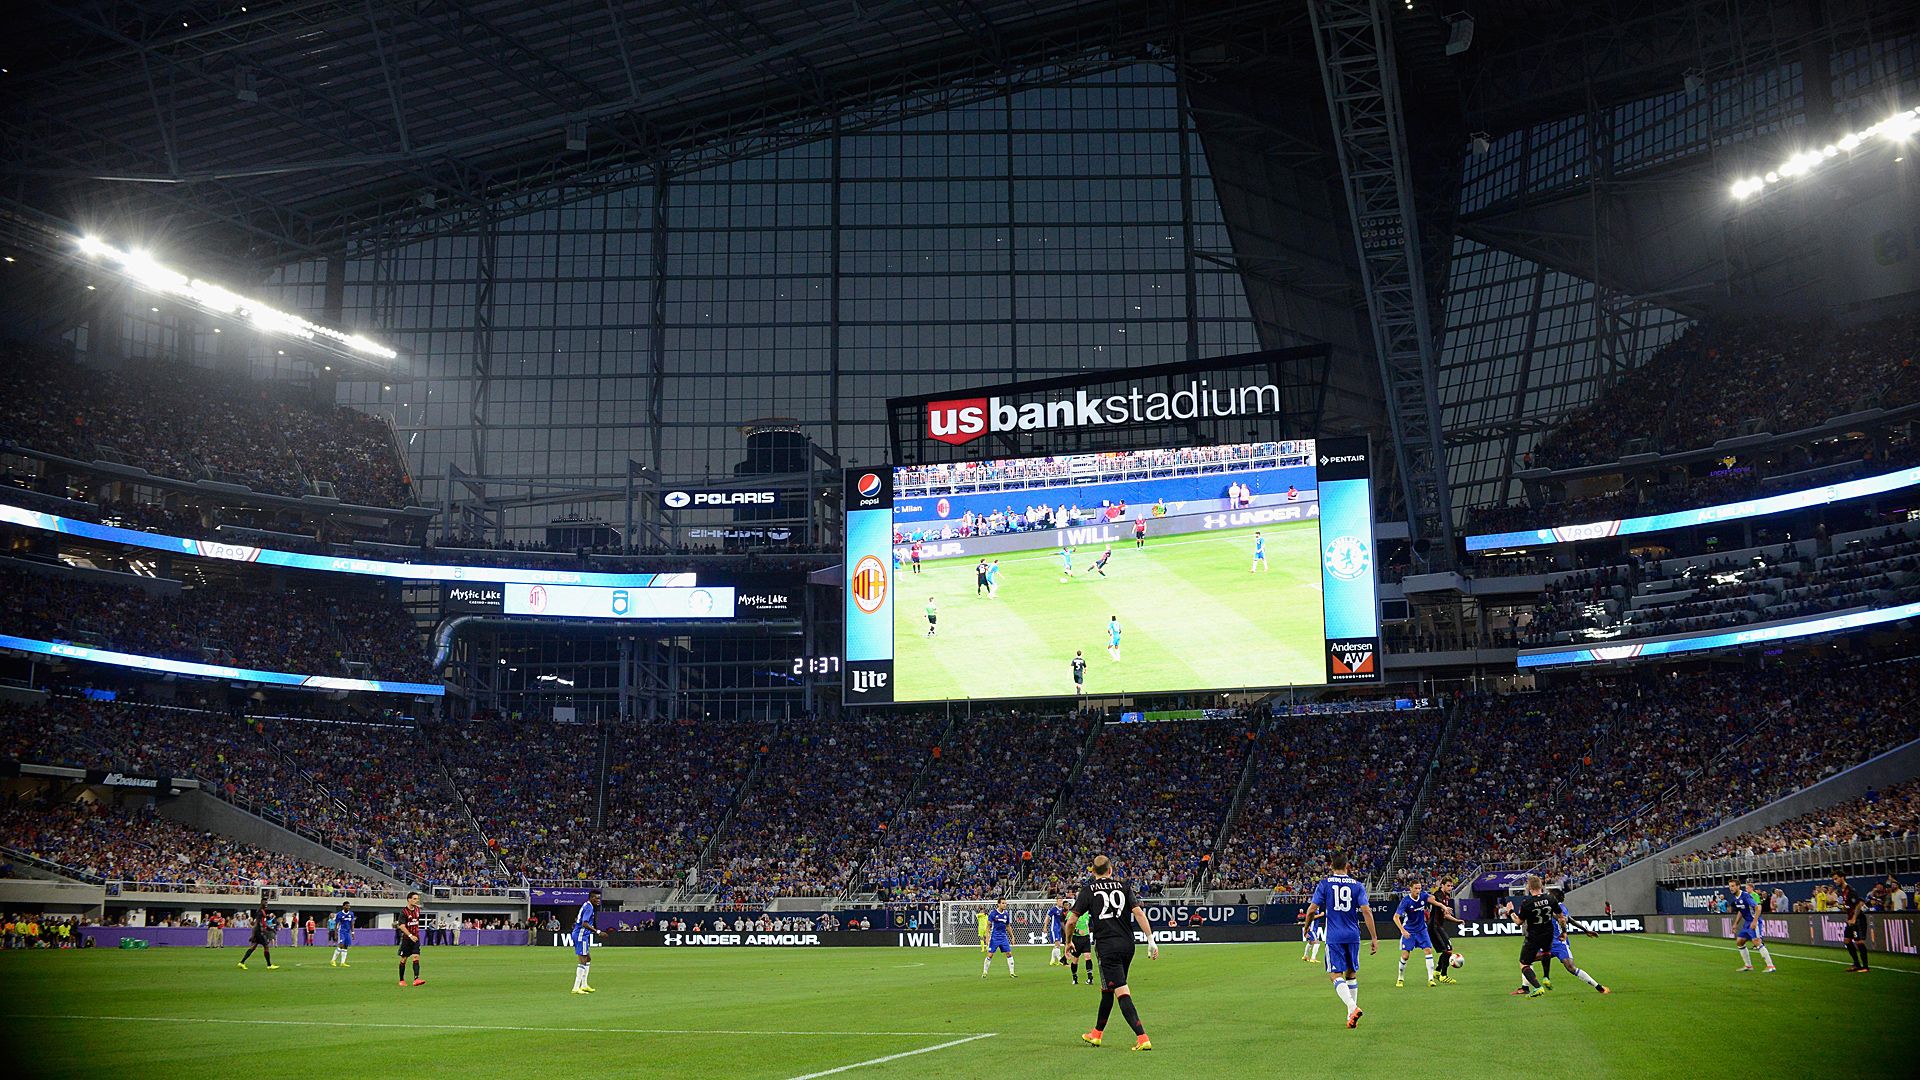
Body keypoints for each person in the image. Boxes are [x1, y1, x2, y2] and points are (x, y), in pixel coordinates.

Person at [1064, 854, 1157, 1050]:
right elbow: (1139, 913)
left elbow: (1071, 921)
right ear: (1110, 870)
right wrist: (1150, 940)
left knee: (1120, 990)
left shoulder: (1088, 890)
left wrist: (1068, 942)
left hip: (1107, 947)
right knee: (1108, 988)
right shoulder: (1124, 887)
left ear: (1092, 871)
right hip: (1127, 945)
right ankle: (1096, 1034)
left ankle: (1142, 1037)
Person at [1303, 852, 1378, 1028]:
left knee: (1334, 974)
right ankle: (1349, 1017)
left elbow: (1312, 909)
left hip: (1334, 936)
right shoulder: (1357, 886)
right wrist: (1374, 937)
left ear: (1331, 867)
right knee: (1351, 973)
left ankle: (1352, 1007)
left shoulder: (1325, 884)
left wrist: (1307, 927)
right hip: (1353, 935)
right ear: (1347, 867)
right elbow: (1367, 911)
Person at [1393, 876, 1438, 988]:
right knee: (1405, 956)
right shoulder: (1406, 901)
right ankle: (1400, 977)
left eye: (1419, 888)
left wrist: (1442, 906)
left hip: (1422, 930)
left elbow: (1432, 898)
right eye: (1416, 888)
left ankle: (1430, 979)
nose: (1418, 890)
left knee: (1428, 950)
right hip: (1409, 930)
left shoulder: (1423, 896)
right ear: (1411, 889)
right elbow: (1396, 917)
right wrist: (1403, 931)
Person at [1728, 879, 1775, 973]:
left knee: (1756, 941)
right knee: (1740, 941)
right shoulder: (1736, 899)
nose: (1731, 888)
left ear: (1738, 886)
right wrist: (1735, 924)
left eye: (1733, 886)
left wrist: (1755, 921)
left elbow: (1758, 907)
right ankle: (1748, 966)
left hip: (1754, 921)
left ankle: (1771, 966)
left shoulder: (1745, 896)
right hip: (1747, 923)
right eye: (1730, 886)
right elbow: (1741, 911)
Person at [1428, 876, 1465, 983]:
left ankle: (1437, 971)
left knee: (1448, 950)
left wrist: (1457, 920)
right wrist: (1443, 906)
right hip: (1433, 926)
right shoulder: (1438, 895)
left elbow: (1445, 915)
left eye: (1451, 886)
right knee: (1447, 950)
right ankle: (1443, 975)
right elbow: (1432, 899)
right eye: (1448, 886)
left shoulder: (1446, 897)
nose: (1450, 888)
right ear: (1442, 886)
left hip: (1438, 926)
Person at [1834, 872, 1870, 972]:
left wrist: (1854, 918)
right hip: (1850, 920)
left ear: (1842, 878)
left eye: (1836, 878)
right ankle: (1856, 964)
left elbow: (1859, 904)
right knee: (1847, 940)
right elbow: (1850, 905)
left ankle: (1865, 967)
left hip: (1858, 919)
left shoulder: (1850, 890)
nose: (1835, 881)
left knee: (1859, 942)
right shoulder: (1843, 891)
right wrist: (1844, 908)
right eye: (1834, 879)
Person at [570, 888, 602, 994]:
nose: (598, 900)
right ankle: (576, 987)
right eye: (597, 898)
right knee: (583, 959)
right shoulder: (589, 907)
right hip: (581, 935)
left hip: (581, 934)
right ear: (591, 898)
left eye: (599, 898)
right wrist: (597, 931)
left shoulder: (587, 905)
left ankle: (584, 985)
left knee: (588, 958)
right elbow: (584, 923)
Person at [237, 893, 277, 971]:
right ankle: (269, 965)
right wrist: (254, 934)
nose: (266, 904)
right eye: (265, 902)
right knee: (266, 946)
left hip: (259, 932)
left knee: (253, 947)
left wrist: (270, 928)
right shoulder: (260, 912)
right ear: (261, 902)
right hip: (259, 932)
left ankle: (241, 962)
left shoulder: (262, 911)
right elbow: (257, 923)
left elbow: (263, 923)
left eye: (267, 902)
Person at [397, 890, 425, 986]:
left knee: (416, 956)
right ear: (409, 900)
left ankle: (416, 979)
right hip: (406, 939)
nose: (416, 901)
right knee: (404, 959)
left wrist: (414, 935)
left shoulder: (417, 910)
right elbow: (401, 926)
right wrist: (410, 935)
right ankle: (401, 980)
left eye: (417, 899)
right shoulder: (403, 912)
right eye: (414, 899)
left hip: (416, 938)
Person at [982, 898, 1016, 978]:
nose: (1005, 905)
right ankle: (985, 972)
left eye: (1005, 903)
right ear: (998, 904)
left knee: (1009, 953)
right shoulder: (993, 913)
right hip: (994, 937)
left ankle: (1012, 972)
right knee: (990, 955)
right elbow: (988, 926)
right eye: (1003, 903)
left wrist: (1012, 937)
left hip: (1003, 937)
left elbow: (1008, 926)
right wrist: (987, 938)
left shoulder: (1006, 914)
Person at [1069, 907, 1095, 986]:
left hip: (1086, 938)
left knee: (1088, 956)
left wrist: (1090, 930)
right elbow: (1069, 925)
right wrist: (1077, 930)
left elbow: (1089, 924)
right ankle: (1074, 977)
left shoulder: (1087, 914)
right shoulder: (1072, 914)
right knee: (1075, 959)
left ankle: (1090, 977)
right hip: (1076, 939)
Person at [330, 902, 355, 967]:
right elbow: (336, 924)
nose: (348, 907)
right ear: (343, 906)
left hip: (347, 932)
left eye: (349, 906)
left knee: (346, 946)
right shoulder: (339, 914)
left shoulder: (351, 914)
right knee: (341, 945)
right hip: (341, 931)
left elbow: (352, 923)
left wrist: (352, 933)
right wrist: (335, 934)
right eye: (347, 906)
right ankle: (333, 960)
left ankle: (342, 962)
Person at [1046, 898, 1068, 967]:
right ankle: (1059, 960)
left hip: (1060, 929)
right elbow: (1048, 917)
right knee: (1057, 944)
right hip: (1054, 928)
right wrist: (1045, 926)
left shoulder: (1063, 910)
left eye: (1061, 901)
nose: (1061, 902)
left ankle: (1052, 960)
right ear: (1057, 902)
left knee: (1056, 945)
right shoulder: (1053, 909)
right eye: (1059, 901)